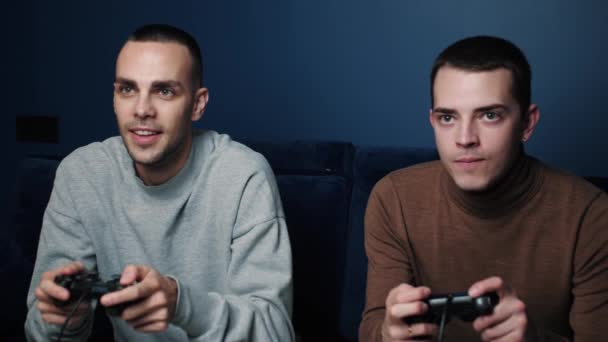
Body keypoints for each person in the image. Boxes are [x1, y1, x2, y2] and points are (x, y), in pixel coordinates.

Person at [24, 24, 294, 341]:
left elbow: (275, 332)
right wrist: (63, 317)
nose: (142, 110)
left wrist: (181, 304)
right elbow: (39, 334)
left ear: (197, 104)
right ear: (114, 96)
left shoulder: (244, 175)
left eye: (164, 91)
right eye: (128, 89)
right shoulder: (82, 174)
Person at [360, 35, 608, 341]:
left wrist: (533, 338)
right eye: (448, 117)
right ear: (432, 121)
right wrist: (387, 333)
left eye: (490, 115)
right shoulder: (392, 199)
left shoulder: (592, 216)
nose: (465, 138)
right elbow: (372, 326)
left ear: (527, 123)